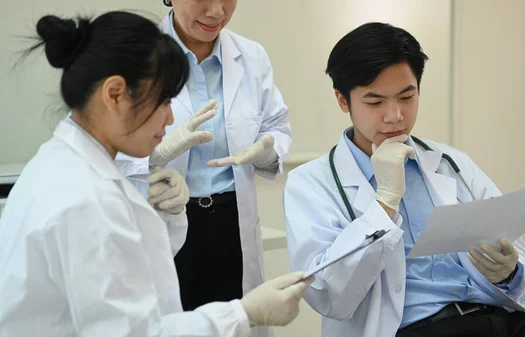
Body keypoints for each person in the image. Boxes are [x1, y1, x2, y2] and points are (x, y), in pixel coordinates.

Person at [0, 12, 312, 337]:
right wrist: (243, 312)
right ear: (115, 94)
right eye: (164, 100)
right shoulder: (88, 200)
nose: (170, 117)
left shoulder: (59, 161)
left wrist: (171, 213)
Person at [283, 22, 525, 337]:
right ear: (343, 100)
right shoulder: (312, 183)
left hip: (499, 320)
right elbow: (328, 295)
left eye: (407, 97)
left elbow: (509, 239)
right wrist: (383, 202)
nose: (395, 115)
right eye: (375, 102)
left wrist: (506, 271)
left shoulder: (451, 162)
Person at [115, 2, 291, 330]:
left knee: (236, 321)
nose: (216, 11)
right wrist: (154, 158)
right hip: (163, 220)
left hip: (231, 223)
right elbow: (101, 144)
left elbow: (276, 126)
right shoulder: (132, 55)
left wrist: (265, 152)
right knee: (169, 324)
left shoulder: (251, 57)